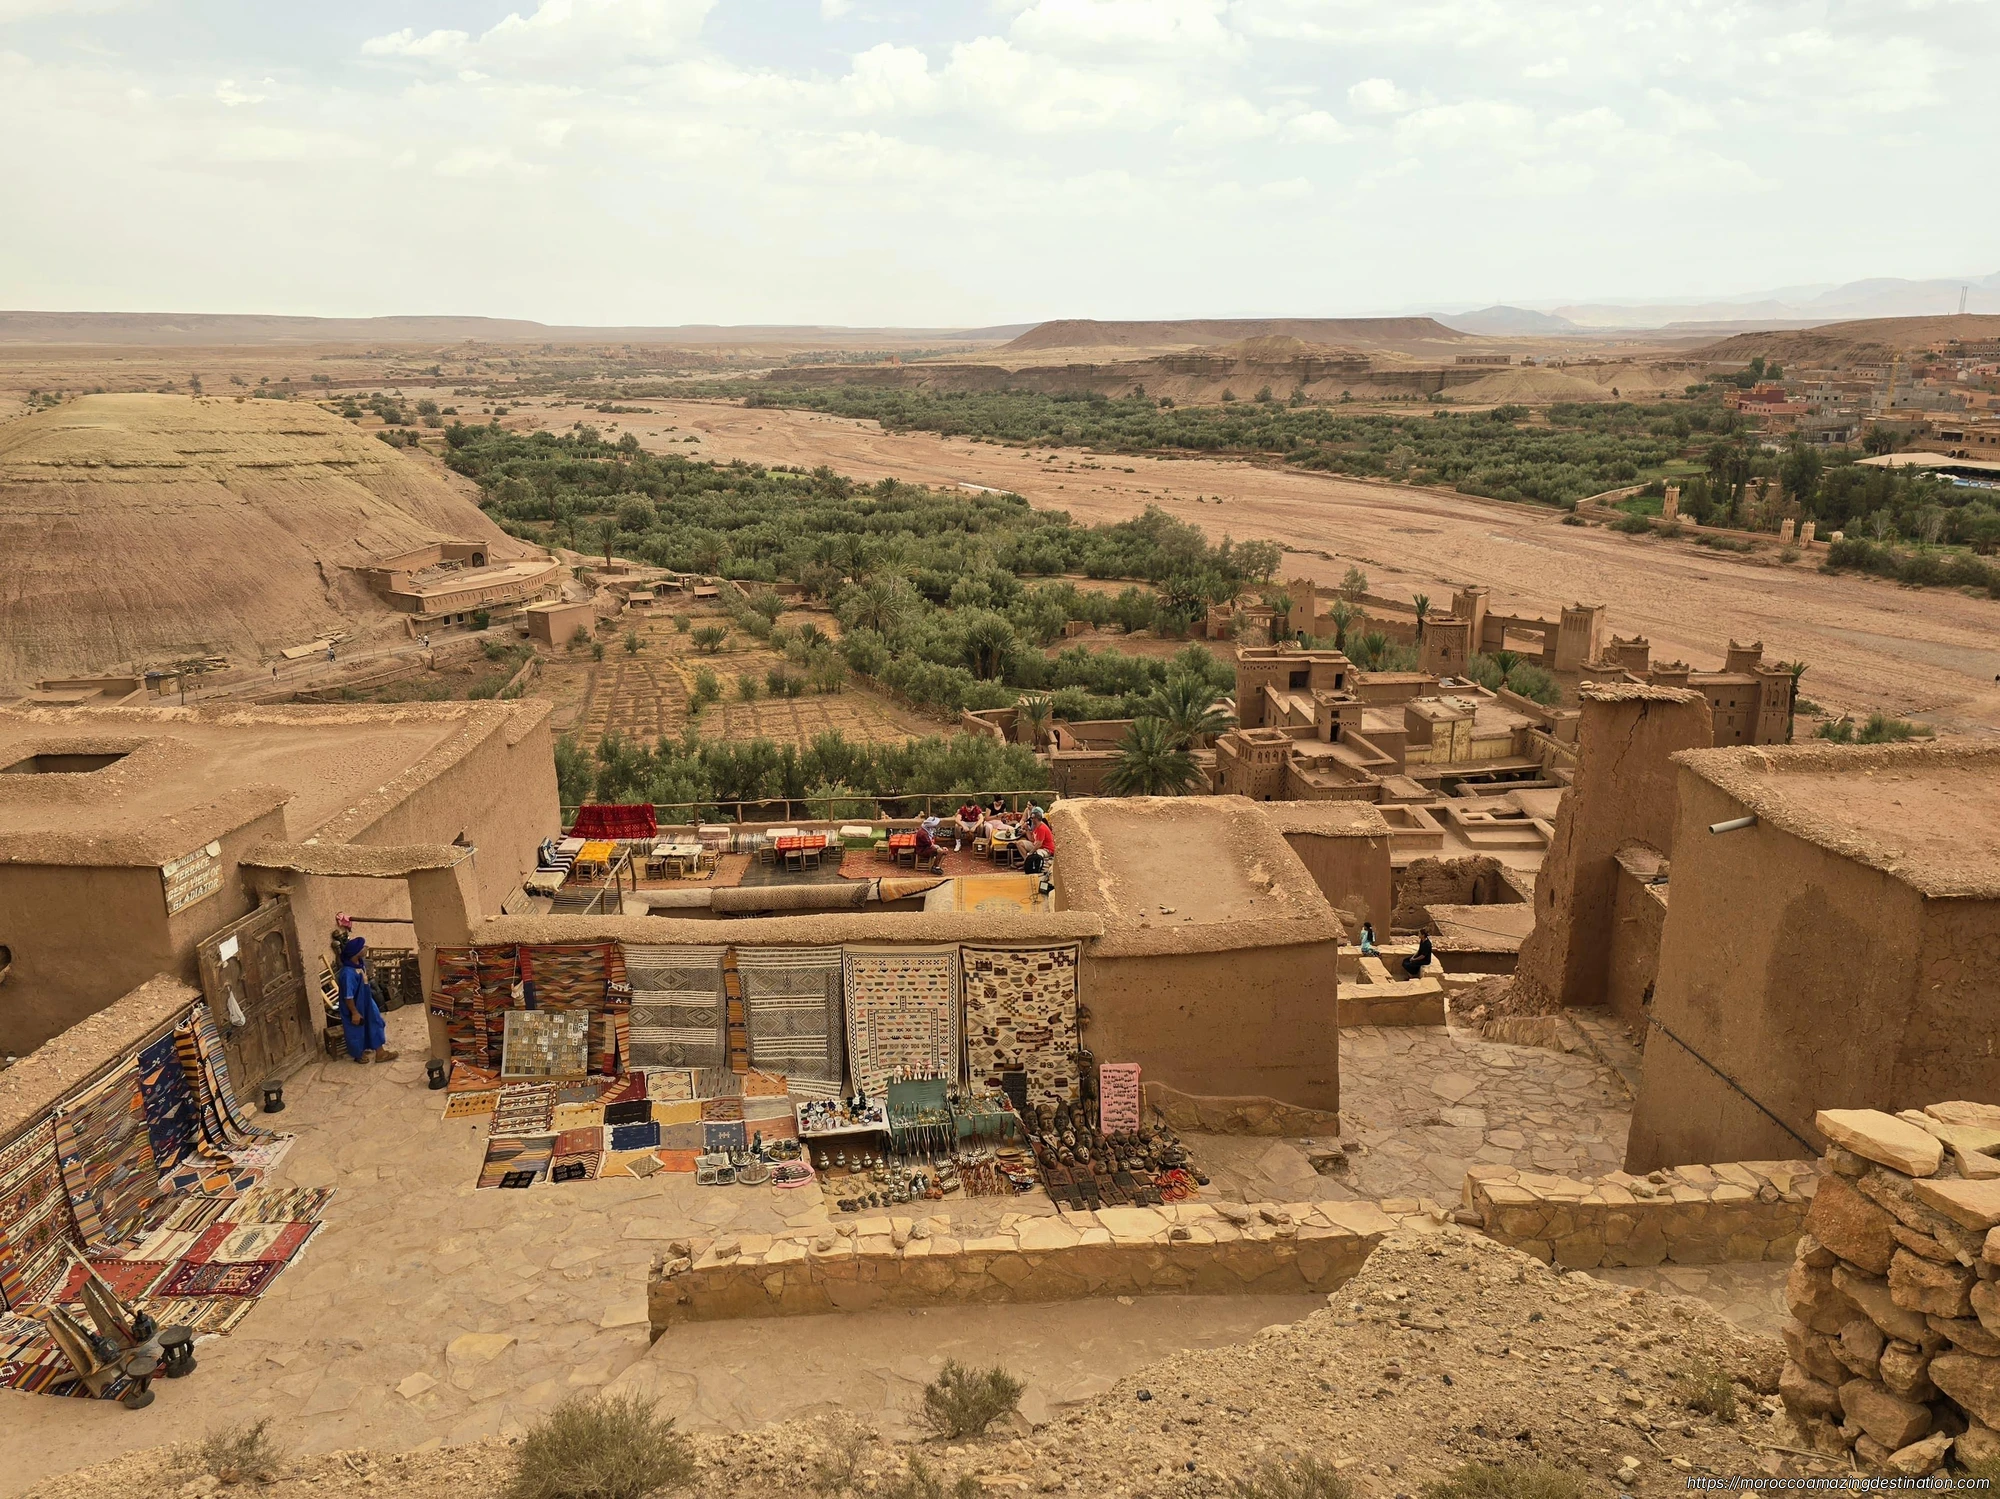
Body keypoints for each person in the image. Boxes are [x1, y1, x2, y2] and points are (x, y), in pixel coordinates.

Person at [336, 936, 399, 1065]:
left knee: (376, 1022)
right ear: (356, 952)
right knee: (356, 1029)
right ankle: (358, 1054)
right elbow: (348, 996)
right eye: (363, 947)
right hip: (354, 1006)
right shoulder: (348, 973)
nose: (365, 948)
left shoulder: (360, 965)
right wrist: (354, 1012)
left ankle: (380, 1053)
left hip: (367, 1002)